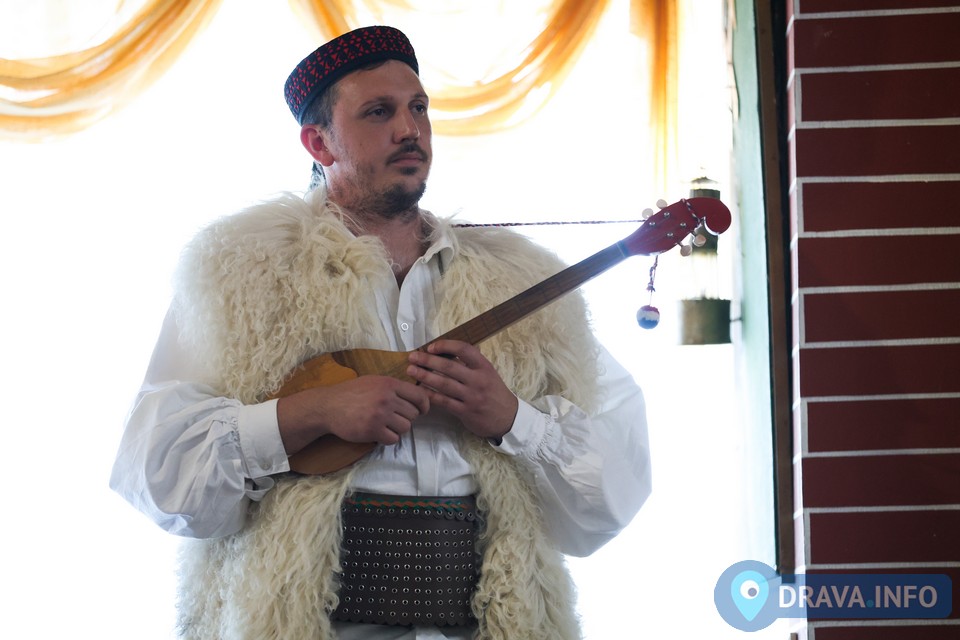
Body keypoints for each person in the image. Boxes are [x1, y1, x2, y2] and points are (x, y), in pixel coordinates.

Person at [110, 25, 651, 640]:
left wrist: (512, 418)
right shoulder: (239, 274)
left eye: (418, 108)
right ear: (319, 142)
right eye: (379, 112)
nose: (409, 129)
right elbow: (158, 473)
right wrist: (310, 414)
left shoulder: (520, 281)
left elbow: (615, 490)